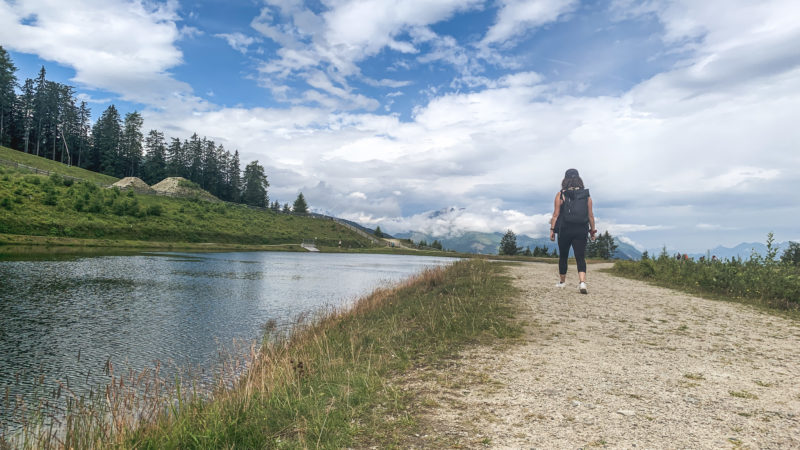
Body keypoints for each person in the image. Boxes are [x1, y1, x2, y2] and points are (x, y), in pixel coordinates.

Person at [550, 168, 596, 294]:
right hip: (581, 229)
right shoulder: (586, 196)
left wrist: (552, 230)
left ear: (565, 180)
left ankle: (562, 282)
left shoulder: (560, 194)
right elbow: (591, 216)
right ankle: (582, 283)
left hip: (565, 228)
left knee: (563, 255)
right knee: (580, 257)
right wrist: (592, 231)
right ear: (579, 179)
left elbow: (555, 214)